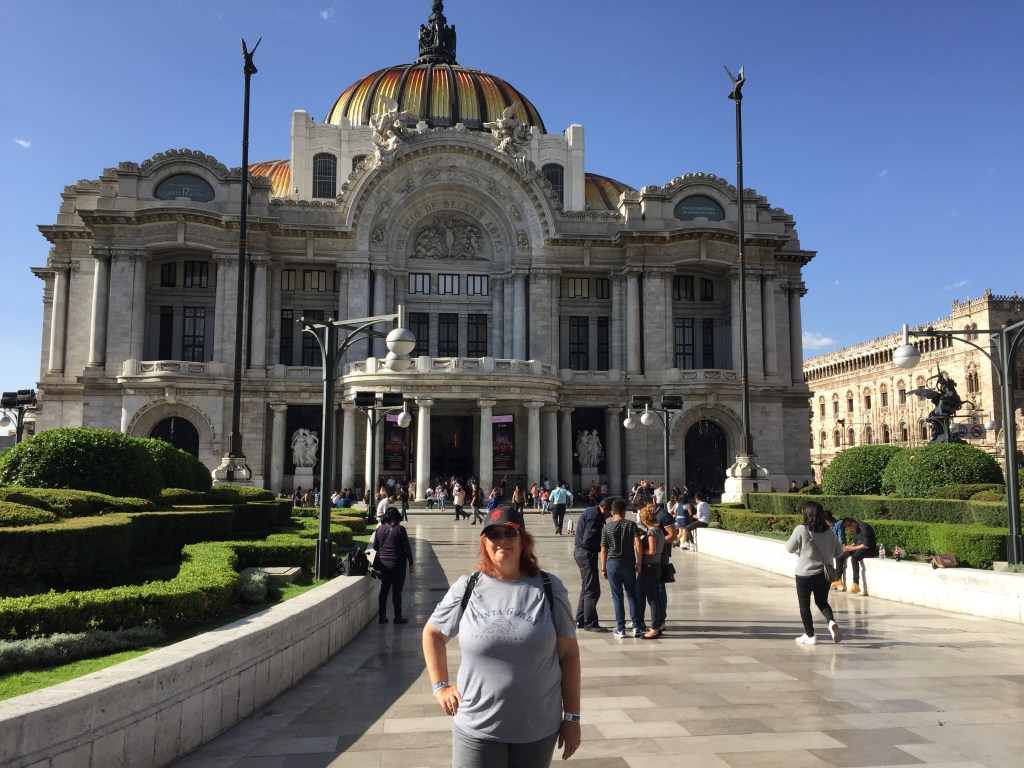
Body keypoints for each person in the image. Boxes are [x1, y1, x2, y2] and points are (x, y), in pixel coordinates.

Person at [422, 505, 582, 766]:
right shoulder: (467, 586)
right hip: (477, 726)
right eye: (494, 535)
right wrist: (440, 687)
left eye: (510, 533)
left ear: (523, 541)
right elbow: (433, 633)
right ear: (484, 543)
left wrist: (572, 718)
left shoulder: (549, 587)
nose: (502, 540)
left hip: (537, 727)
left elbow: (569, 655)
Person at [785, 501, 844, 644]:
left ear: (807, 514)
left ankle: (810, 635)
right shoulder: (829, 532)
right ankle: (831, 622)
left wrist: (801, 551)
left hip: (804, 573)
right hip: (824, 574)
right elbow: (839, 552)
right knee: (822, 602)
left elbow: (789, 548)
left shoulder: (801, 529)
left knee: (804, 605)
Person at [600, 498, 644, 639]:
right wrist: (639, 563)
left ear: (612, 512)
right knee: (631, 594)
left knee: (617, 596)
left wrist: (603, 569)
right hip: (629, 562)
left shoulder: (606, 528)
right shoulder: (631, 525)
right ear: (624, 511)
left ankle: (621, 628)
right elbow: (638, 544)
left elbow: (604, 550)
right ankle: (636, 626)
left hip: (613, 563)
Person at [573, 496, 614, 632]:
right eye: (610, 512)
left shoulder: (592, 512)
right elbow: (588, 540)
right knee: (593, 589)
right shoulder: (595, 516)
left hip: (581, 552)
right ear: (604, 508)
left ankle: (581, 619)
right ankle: (590, 623)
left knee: (586, 587)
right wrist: (604, 547)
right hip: (586, 554)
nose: (611, 515)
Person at [370, 507, 415, 625]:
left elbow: (375, 547)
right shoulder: (400, 529)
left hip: (384, 562)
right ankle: (397, 616)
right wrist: (411, 563)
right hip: (398, 563)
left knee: (384, 589)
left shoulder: (379, 529)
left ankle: (382, 616)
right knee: (397, 591)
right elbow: (406, 548)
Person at [638, 504, 666, 639]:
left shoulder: (651, 532)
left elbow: (651, 550)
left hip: (649, 566)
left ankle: (654, 628)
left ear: (644, 520)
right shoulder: (659, 530)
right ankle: (658, 625)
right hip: (657, 566)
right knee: (657, 598)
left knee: (652, 599)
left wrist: (639, 550)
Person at [832, 518, 878, 594]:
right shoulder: (855, 528)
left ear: (853, 524)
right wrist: (848, 547)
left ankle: (856, 584)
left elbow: (866, 545)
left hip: (868, 550)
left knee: (854, 558)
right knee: (840, 555)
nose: (849, 530)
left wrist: (852, 548)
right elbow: (855, 542)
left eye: (849, 528)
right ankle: (838, 579)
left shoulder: (865, 528)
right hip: (858, 548)